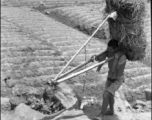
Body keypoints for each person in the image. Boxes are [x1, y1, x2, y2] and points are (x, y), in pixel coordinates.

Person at [91, 39, 127, 120]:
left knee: (106, 94)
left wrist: (116, 59)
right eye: (108, 49)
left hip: (117, 79)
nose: (109, 51)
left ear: (116, 49)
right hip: (109, 77)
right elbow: (100, 58)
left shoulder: (122, 57)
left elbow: (117, 70)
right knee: (110, 96)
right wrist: (96, 57)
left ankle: (101, 115)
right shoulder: (109, 52)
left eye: (111, 50)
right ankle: (111, 111)